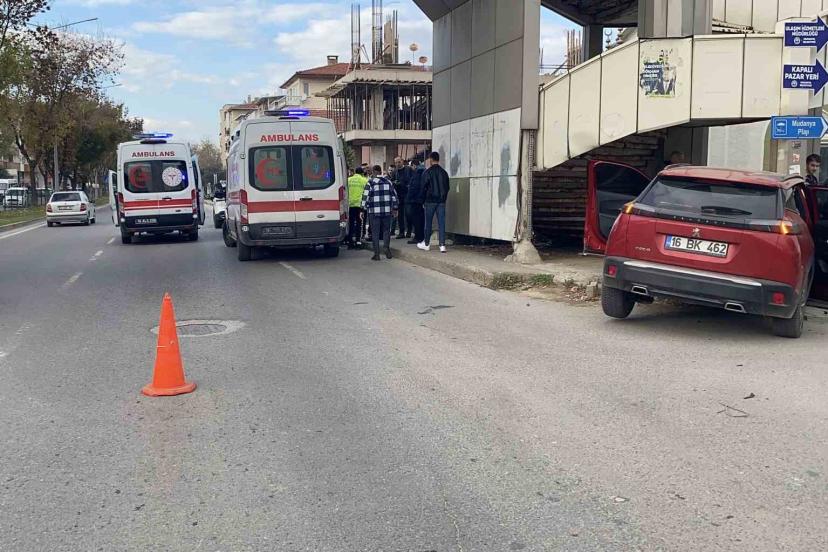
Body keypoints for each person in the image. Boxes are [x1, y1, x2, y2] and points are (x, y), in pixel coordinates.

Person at [361, 164, 398, 260]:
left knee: (375, 232)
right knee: (386, 231)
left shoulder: (371, 182)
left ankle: (377, 254)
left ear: (373, 172)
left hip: (374, 212)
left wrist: (362, 209)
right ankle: (386, 248)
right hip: (387, 211)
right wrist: (395, 208)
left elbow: (365, 197)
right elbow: (394, 196)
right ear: (380, 172)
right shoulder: (388, 182)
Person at [418, 151, 450, 253]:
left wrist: (421, 201)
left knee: (428, 223)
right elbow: (447, 187)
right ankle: (442, 245)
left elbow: (423, 188)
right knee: (441, 223)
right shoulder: (444, 173)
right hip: (441, 201)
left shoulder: (427, 172)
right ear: (438, 159)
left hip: (430, 201)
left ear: (431, 159)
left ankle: (426, 244)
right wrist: (443, 198)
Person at [346, 166, 368, 249]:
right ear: (362, 173)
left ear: (355, 172)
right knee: (359, 223)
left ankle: (350, 241)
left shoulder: (349, 180)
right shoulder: (364, 180)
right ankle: (358, 241)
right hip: (360, 205)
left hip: (350, 204)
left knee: (351, 223)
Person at [391, 157, 412, 239]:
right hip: (398, 196)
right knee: (400, 216)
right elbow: (391, 182)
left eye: (399, 162)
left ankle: (409, 231)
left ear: (402, 161)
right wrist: (394, 183)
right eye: (396, 162)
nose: (397, 164)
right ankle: (401, 232)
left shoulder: (408, 169)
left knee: (408, 214)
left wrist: (407, 185)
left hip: (407, 195)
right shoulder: (394, 172)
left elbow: (412, 180)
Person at [406, 159, 426, 244]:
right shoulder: (423, 172)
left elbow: (414, 187)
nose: (411, 168)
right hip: (420, 200)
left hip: (415, 200)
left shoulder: (418, 173)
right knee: (421, 218)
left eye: (411, 166)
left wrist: (409, 197)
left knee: (416, 219)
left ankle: (418, 237)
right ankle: (420, 236)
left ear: (414, 165)